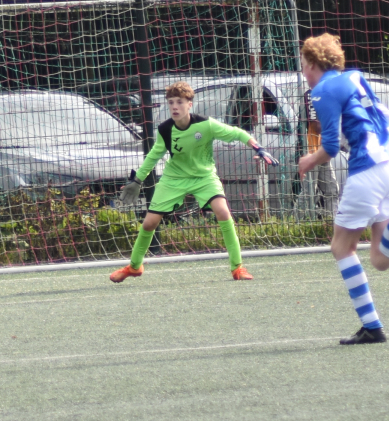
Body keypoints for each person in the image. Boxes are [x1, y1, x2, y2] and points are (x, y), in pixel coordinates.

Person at [294, 34, 389, 345]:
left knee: (341, 248)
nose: (303, 72)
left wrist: (308, 160)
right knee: (381, 260)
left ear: (314, 64)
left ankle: (372, 327)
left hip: (367, 172)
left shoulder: (322, 91)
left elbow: (331, 147)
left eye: (303, 66)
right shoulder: (356, 78)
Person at [109, 81, 276, 283]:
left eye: (179, 102)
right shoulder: (165, 129)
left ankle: (237, 268)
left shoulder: (206, 125)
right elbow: (153, 156)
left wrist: (258, 148)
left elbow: (238, 133)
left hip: (204, 177)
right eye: (171, 102)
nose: (174, 107)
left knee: (223, 212)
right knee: (149, 223)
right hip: (174, 179)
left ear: (189, 104)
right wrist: (137, 180)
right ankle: (134, 267)